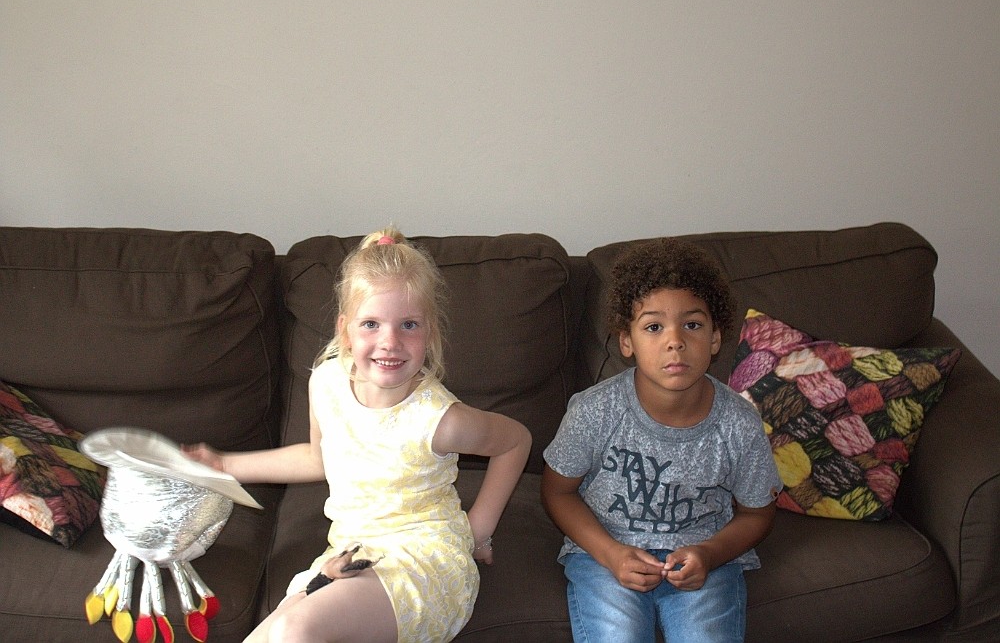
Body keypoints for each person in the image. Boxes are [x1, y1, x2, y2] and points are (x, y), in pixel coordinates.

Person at [184, 227, 532, 643]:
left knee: (294, 630)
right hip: (351, 555)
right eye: (371, 324)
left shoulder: (440, 419)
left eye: (408, 325)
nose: (390, 342)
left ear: (430, 334)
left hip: (423, 560)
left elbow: (516, 440)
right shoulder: (327, 381)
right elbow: (316, 458)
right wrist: (223, 464)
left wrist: (478, 531)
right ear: (345, 330)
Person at [541, 237, 781, 642]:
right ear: (627, 341)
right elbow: (557, 491)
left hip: (704, 560)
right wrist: (610, 554)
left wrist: (710, 554)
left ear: (716, 338)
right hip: (606, 555)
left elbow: (757, 514)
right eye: (654, 327)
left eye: (692, 325)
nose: (675, 341)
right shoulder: (594, 410)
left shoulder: (739, 423)